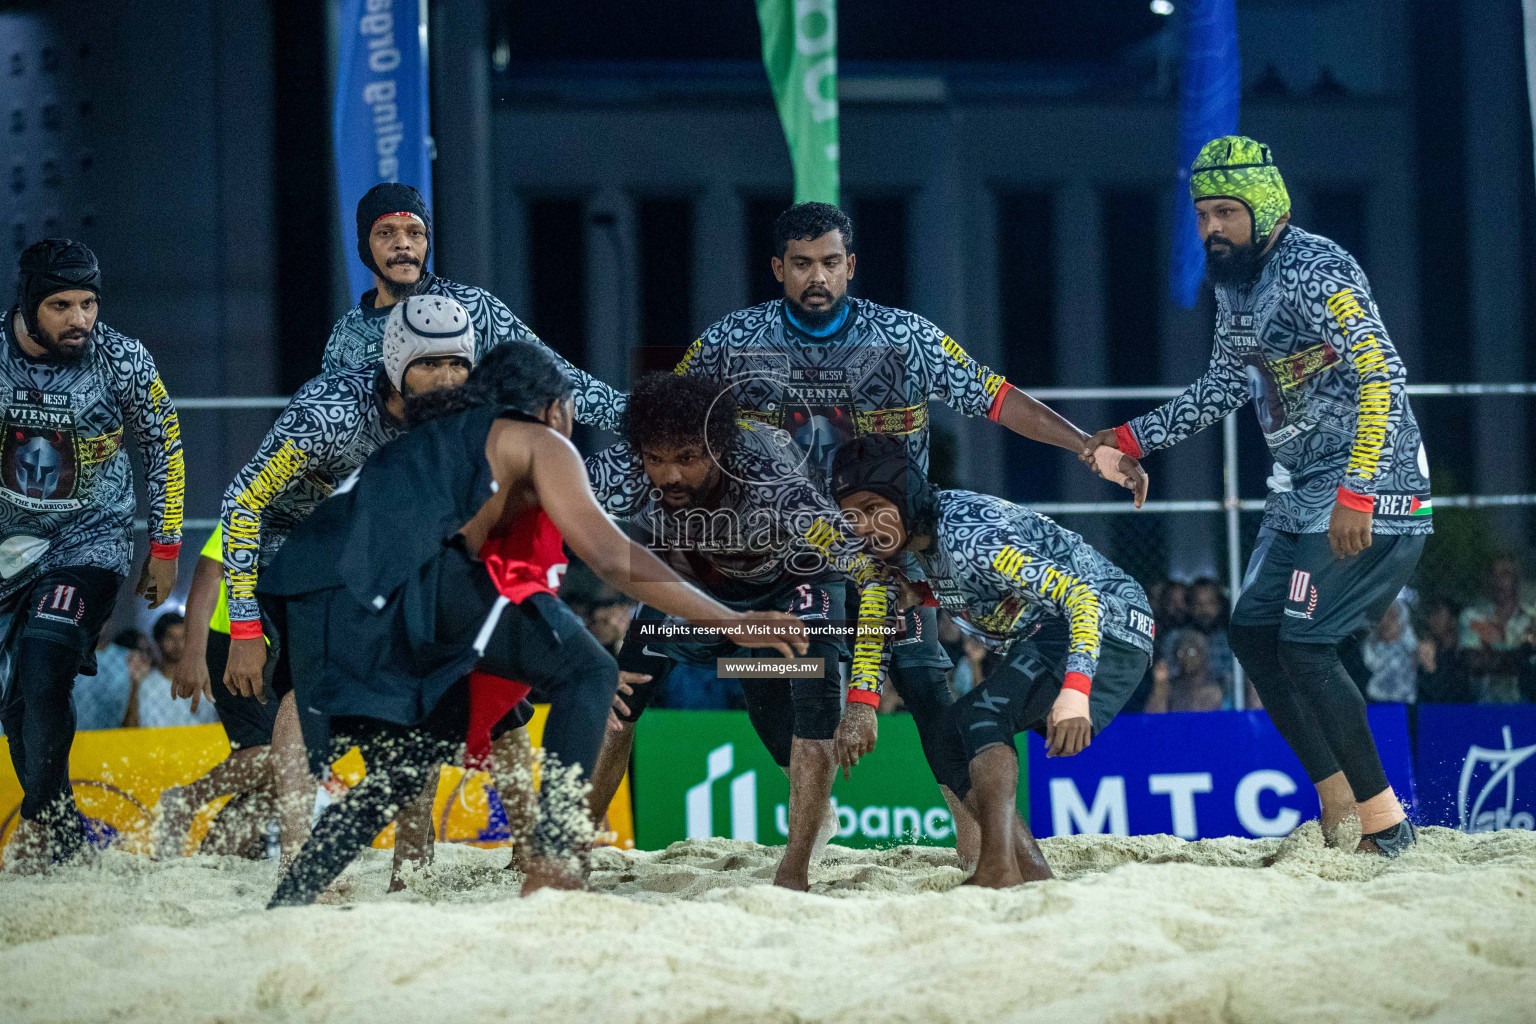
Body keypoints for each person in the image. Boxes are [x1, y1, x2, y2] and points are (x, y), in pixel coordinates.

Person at [590, 202, 1148, 845]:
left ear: (850, 266)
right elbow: (669, 419)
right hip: (785, 558)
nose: (816, 277)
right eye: (801, 264)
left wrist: (1087, 446)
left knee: (928, 686)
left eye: (830, 262)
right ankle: (792, 801)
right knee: (768, 679)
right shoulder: (733, 343)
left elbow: (996, 397)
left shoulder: (903, 337)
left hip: (891, 550)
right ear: (778, 268)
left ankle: (993, 848)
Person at [260, 343, 807, 905]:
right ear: (554, 408)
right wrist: (732, 620)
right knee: (590, 671)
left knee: (412, 756)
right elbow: (609, 554)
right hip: (403, 579)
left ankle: (296, 893)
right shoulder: (538, 438)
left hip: (308, 589)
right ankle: (552, 866)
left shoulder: (434, 440)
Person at [1080, 136, 1432, 856]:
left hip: (1374, 483)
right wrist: (1132, 438)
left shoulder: (1318, 268)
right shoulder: (1232, 285)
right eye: (1201, 214)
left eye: (1225, 212)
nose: (1210, 228)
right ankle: (1338, 813)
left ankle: (1385, 827)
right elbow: (1220, 387)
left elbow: (1382, 375)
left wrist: (1359, 489)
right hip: (1301, 490)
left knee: (1305, 644)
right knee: (1251, 634)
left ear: (1265, 208)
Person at [583, 373, 894, 890]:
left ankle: (795, 869)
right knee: (620, 698)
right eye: (656, 459)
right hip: (690, 576)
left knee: (801, 704)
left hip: (797, 577)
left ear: (720, 449)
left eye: (687, 457)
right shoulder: (623, 469)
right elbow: (535, 510)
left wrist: (863, 696)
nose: (669, 475)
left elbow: (873, 576)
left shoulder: (775, 482)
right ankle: (570, 845)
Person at [217, 294, 478, 870]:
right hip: (293, 543)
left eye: (458, 363)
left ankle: (414, 863)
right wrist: (243, 625)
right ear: (396, 361)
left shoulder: (462, 422)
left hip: (376, 550)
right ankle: (297, 857)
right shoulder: (330, 412)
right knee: (312, 685)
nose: (446, 378)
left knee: (424, 683)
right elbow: (242, 501)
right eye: (430, 363)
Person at [831, 435, 1154, 888]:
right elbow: (881, 608)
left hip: (1110, 623)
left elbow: (1080, 597)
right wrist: (861, 703)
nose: (862, 527)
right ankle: (1033, 874)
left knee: (981, 714)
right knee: (949, 734)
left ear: (906, 499)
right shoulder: (902, 545)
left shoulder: (970, 537)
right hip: (1055, 633)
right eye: (851, 516)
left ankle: (997, 868)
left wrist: (1076, 691)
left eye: (871, 509)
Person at [0, 239, 183, 868]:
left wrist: (164, 547)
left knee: (47, 659)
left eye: (89, 303)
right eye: (61, 306)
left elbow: (165, 445)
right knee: (17, 699)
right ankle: (62, 830)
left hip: (89, 541)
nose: (80, 319)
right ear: (28, 303)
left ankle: (46, 824)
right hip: (5, 549)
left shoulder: (121, 359)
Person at [323, 182, 622, 425]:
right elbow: (331, 425)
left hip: (473, 482)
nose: (403, 244)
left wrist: (634, 418)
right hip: (389, 487)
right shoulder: (345, 336)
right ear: (365, 246)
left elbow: (552, 376)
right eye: (386, 233)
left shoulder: (472, 306)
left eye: (415, 233)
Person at [1458, 555, 1534, 704]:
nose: (1499, 581)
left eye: (1506, 574)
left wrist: (1492, 653)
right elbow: (1475, 664)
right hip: (1484, 703)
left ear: (1516, 580)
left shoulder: (1531, 618)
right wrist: (1521, 654)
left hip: (1527, 703)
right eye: (1495, 575)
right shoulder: (1474, 617)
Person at [131, 612, 218, 728]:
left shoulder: (203, 682)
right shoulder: (146, 685)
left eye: (182, 638)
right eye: (170, 637)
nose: (177, 644)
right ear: (158, 641)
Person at [1145, 631, 1225, 713]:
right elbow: (1154, 719)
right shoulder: (1171, 688)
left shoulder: (1212, 692)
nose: (1186, 657)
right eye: (1181, 652)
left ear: (1202, 655)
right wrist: (1160, 686)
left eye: (1191, 652)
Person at [1416, 595, 1471, 704]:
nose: (1432, 620)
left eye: (1438, 614)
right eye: (1430, 615)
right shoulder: (1429, 652)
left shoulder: (1465, 653)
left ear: (1453, 619)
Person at [1363, 598, 1418, 705]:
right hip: (1375, 699)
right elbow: (1371, 665)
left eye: (1392, 616)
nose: (1387, 621)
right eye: (1384, 615)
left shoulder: (1410, 641)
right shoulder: (1370, 644)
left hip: (1404, 700)